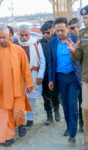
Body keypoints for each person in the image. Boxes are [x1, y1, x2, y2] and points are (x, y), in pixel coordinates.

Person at [0, 26, 34, 146]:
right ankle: (8, 136)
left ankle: (21, 123)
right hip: (1, 90)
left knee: (18, 111)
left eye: (3, 38)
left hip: (17, 88)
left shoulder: (18, 50)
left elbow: (25, 68)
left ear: (10, 36)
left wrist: (29, 83)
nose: (0, 40)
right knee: (4, 114)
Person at [48, 17, 82, 144]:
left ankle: (72, 134)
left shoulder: (75, 39)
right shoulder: (52, 43)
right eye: (57, 31)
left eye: (62, 30)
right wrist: (51, 79)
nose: (59, 33)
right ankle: (69, 127)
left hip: (73, 77)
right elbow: (51, 61)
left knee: (72, 104)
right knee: (66, 105)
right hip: (60, 78)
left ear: (68, 28)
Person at [14, 24, 45, 127]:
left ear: (29, 33)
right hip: (18, 76)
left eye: (26, 35)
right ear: (18, 34)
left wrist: (40, 75)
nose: (23, 37)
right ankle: (22, 119)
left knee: (31, 97)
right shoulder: (15, 44)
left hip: (33, 74)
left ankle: (30, 118)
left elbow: (42, 60)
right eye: (21, 35)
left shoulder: (36, 43)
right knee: (20, 98)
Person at [67, 5, 88, 150]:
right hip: (86, 78)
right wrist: (74, 51)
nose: (86, 21)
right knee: (85, 108)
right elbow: (78, 56)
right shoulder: (83, 33)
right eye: (85, 18)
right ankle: (87, 140)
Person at [40, 23, 60, 125]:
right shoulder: (39, 44)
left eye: (48, 32)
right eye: (44, 33)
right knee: (45, 96)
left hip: (54, 74)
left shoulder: (57, 41)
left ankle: (56, 110)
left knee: (54, 94)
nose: (46, 35)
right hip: (44, 75)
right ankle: (49, 116)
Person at [68, 17, 83, 132]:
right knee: (73, 103)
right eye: (69, 28)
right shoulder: (68, 40)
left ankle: (82, 123)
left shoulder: (85, 38)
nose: (71, 30)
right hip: (72, 76)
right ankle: (73, 125)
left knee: (83, 102)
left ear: (79, 26)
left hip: (83, 75)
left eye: (72, 28)